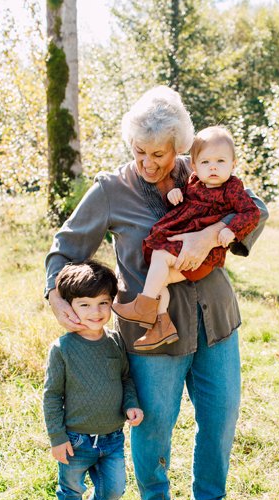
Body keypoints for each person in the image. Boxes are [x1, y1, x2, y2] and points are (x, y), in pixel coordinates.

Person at [45, 86, 268, 500]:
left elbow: (256, 209)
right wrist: (54, 289)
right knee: (153, 423)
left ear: (179, 149)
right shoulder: (111, 190)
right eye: (140, 151)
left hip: (215, 318)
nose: (149, 163)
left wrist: (211, 235)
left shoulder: (201, 168)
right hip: (151, 328)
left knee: (220, 415)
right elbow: (66, 246)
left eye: (160, 155)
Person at [112, 126, 261, 352]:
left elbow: (252, 212)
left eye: (221, 161)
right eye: (205, 162)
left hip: (204, 259)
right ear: (193, 165)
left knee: (160, 256)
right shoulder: (193, 183)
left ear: (233, 164)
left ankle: (143, 305)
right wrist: (177, 195)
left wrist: (232, 229)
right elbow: (188, 203)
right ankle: (161, 326)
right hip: (188, 257)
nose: (213, 167)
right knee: (159, 280)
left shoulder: (231, 188)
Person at [42, 260, 144, 500]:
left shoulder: (115, 342)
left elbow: (125, 379)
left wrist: (131, 405)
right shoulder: (62, 349)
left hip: (112, 437)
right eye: (84, 305)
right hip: (75, 440)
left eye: (103, 303)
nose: (96, 312)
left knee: (115, 487)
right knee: (71, 489)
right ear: (69, 307)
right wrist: (57, 437)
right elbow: (51, 397)